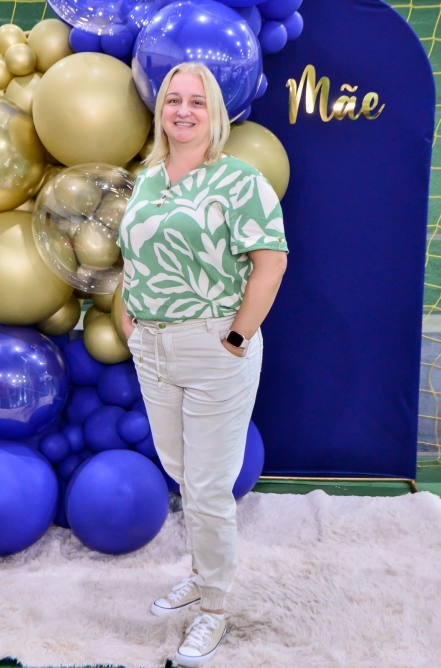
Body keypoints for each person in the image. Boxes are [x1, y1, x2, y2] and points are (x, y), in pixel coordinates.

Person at [118, 62, 288, 667]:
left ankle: (214, 608)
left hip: (215, 347)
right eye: (173, 100)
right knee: (182, 472)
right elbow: (133, 257)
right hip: (152, 349)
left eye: (196, 101)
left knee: (210, 488)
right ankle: (201, 571)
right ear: (160, 110)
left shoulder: (238, 180)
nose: (183, 110)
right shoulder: (147, 180)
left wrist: (237, 336)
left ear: (214, 112)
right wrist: (129, 320)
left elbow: (271, 261)